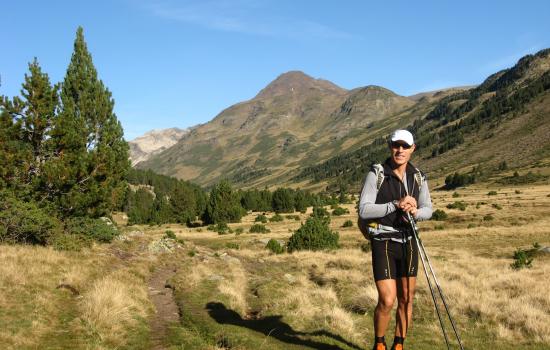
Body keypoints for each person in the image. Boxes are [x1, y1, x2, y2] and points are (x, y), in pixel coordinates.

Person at [358, 129, 433, 350]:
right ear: (390, 146)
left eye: (404, 146)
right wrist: (396, 204)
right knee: (388, 300)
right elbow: (364, 209)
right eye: (395, 145)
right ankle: (379, 344)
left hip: (409, 240)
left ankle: (398, 345)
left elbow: (429, 209)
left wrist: (416, 211)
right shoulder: (378, 173)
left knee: (407, 299)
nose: (399, 150)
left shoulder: (418, 176)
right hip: (383, 239)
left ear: (412, 149)